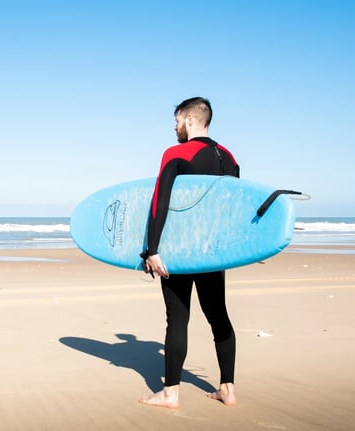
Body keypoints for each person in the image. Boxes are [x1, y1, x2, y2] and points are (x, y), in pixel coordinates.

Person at [138, 97, 240, 408]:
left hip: (179, 252)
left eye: (178, 120)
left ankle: (170, 393)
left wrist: (152, 250)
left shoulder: (176, 153)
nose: (175, 126)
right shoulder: (229, 158)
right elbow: (232, 210)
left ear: (191, 120)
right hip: (212, 254)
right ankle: (228, 389)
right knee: (218, 317)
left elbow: (160, 201)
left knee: (178, 318)